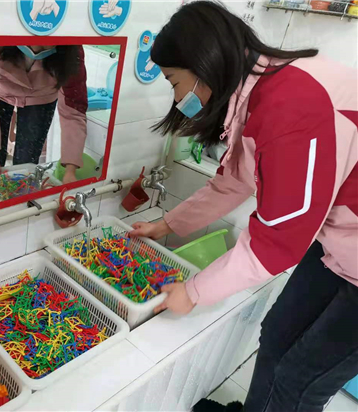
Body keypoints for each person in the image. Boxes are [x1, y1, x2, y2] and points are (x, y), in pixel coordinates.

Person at [130, 2, 358, 411]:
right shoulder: (260, 92)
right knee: (276, 336)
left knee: (299, 379)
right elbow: (234, 179)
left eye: (173, 82)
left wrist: (193, 292)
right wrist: (166, 225)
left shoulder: (292, 107)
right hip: (340, 246)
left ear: (203, 65)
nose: (177, 98)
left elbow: (275, 244)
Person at [0, 45, 88, 184]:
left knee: (26, 165)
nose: (37, 48)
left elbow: (74, 109)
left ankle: (22, 193)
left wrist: (70, 170)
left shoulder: (72, 50)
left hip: (42, 95)